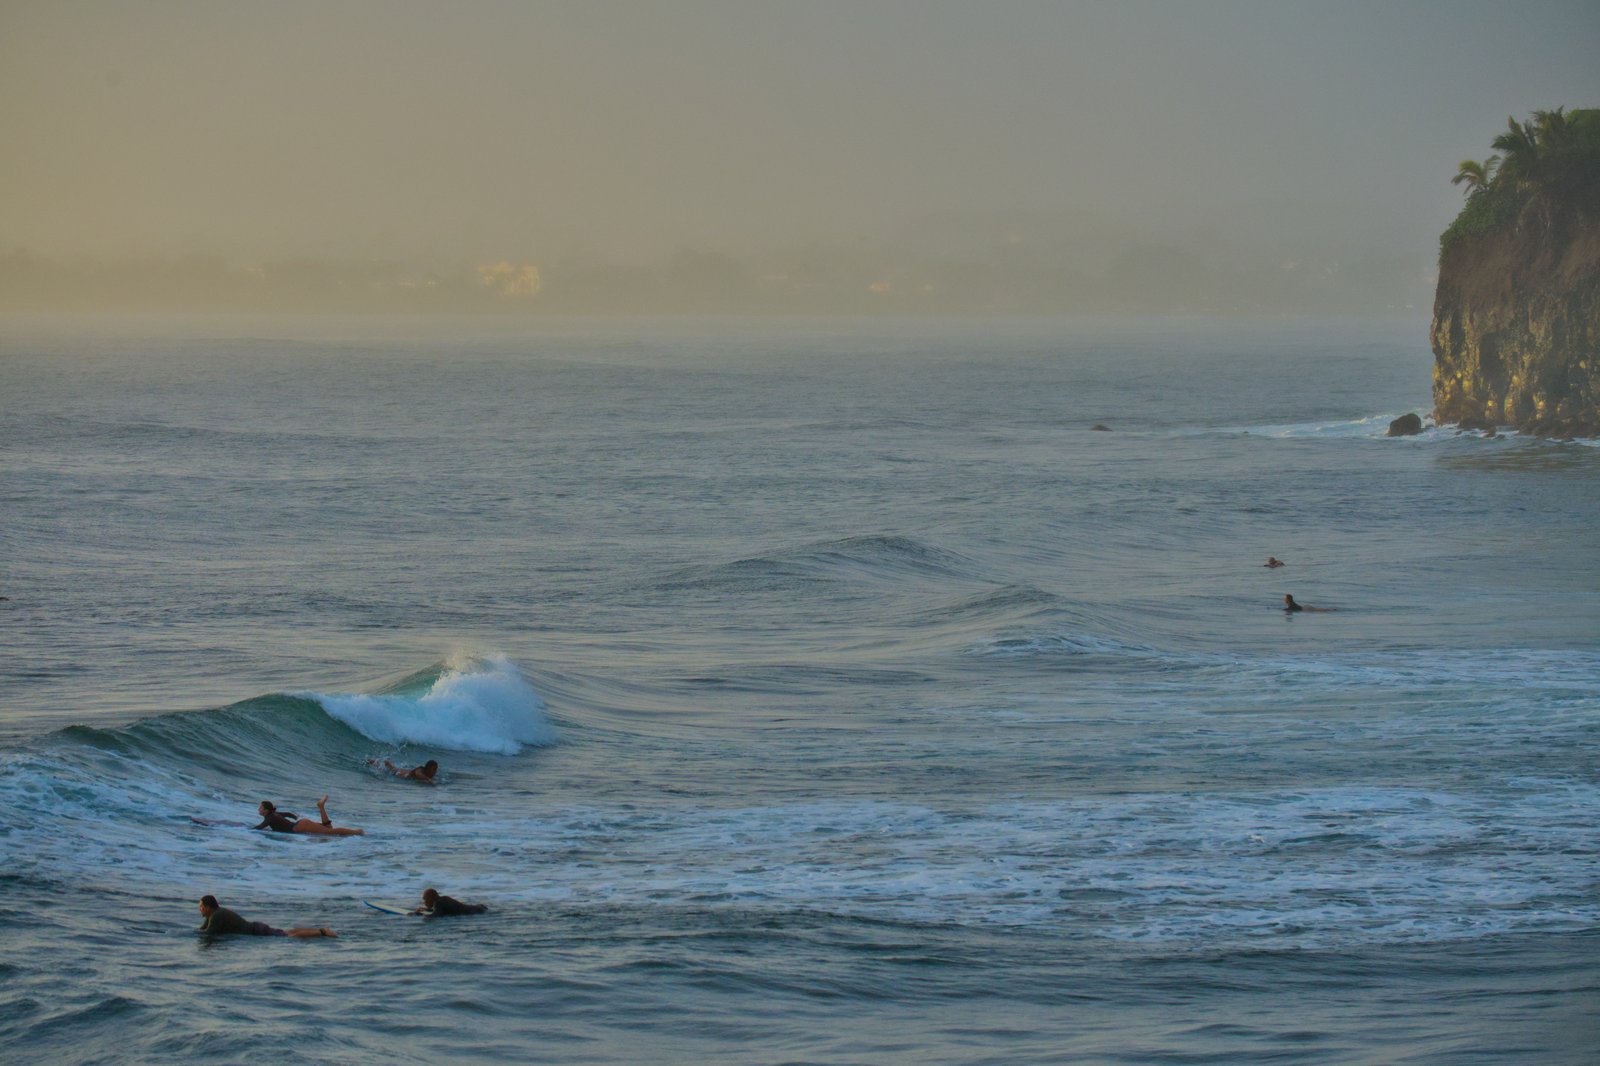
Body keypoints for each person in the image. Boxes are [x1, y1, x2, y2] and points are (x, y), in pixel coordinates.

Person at [197, 895, 335, 938]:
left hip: (257, 931)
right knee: (288, 933)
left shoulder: (217, 916)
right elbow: (202, 930)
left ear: (209, 907)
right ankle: (321, 930)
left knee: (289, 936)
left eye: (201, 907)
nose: (200, 909)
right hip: (257, 928)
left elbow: (207, 933)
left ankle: (322, 932)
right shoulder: (214, 914)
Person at [254, 795, 364, 836]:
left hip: (300, 826)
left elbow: (261, 826)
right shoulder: (274, 814)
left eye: (261, 808)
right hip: (300, 824)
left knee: (330, 832)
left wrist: (246, 829)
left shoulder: (269, 817)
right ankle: (321, 806)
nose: (259, 809)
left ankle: (356, 832)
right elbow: (288, 814)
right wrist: (296, 817)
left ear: (266, 810)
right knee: (328, 828)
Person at [412, 887, 488, 917]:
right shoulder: (442, 900)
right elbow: (439, 910)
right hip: (478, 908)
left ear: (431, 898)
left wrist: (417, 914)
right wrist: (425, 910)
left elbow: (436, 915)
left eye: (425, 899)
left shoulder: (439, 903)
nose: (424, 902)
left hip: (476, 911)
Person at [369, 758, 438, 784]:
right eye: (433, 769)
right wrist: (428, 779)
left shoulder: (429, 775)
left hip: (405, 771)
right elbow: (417, 774)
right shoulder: (421, 770)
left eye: (436, 769)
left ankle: (384, 762)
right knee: (386, 770)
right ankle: (374, 763)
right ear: (428, 768)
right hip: (401, 774)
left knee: (392, 768)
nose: (435, 771)